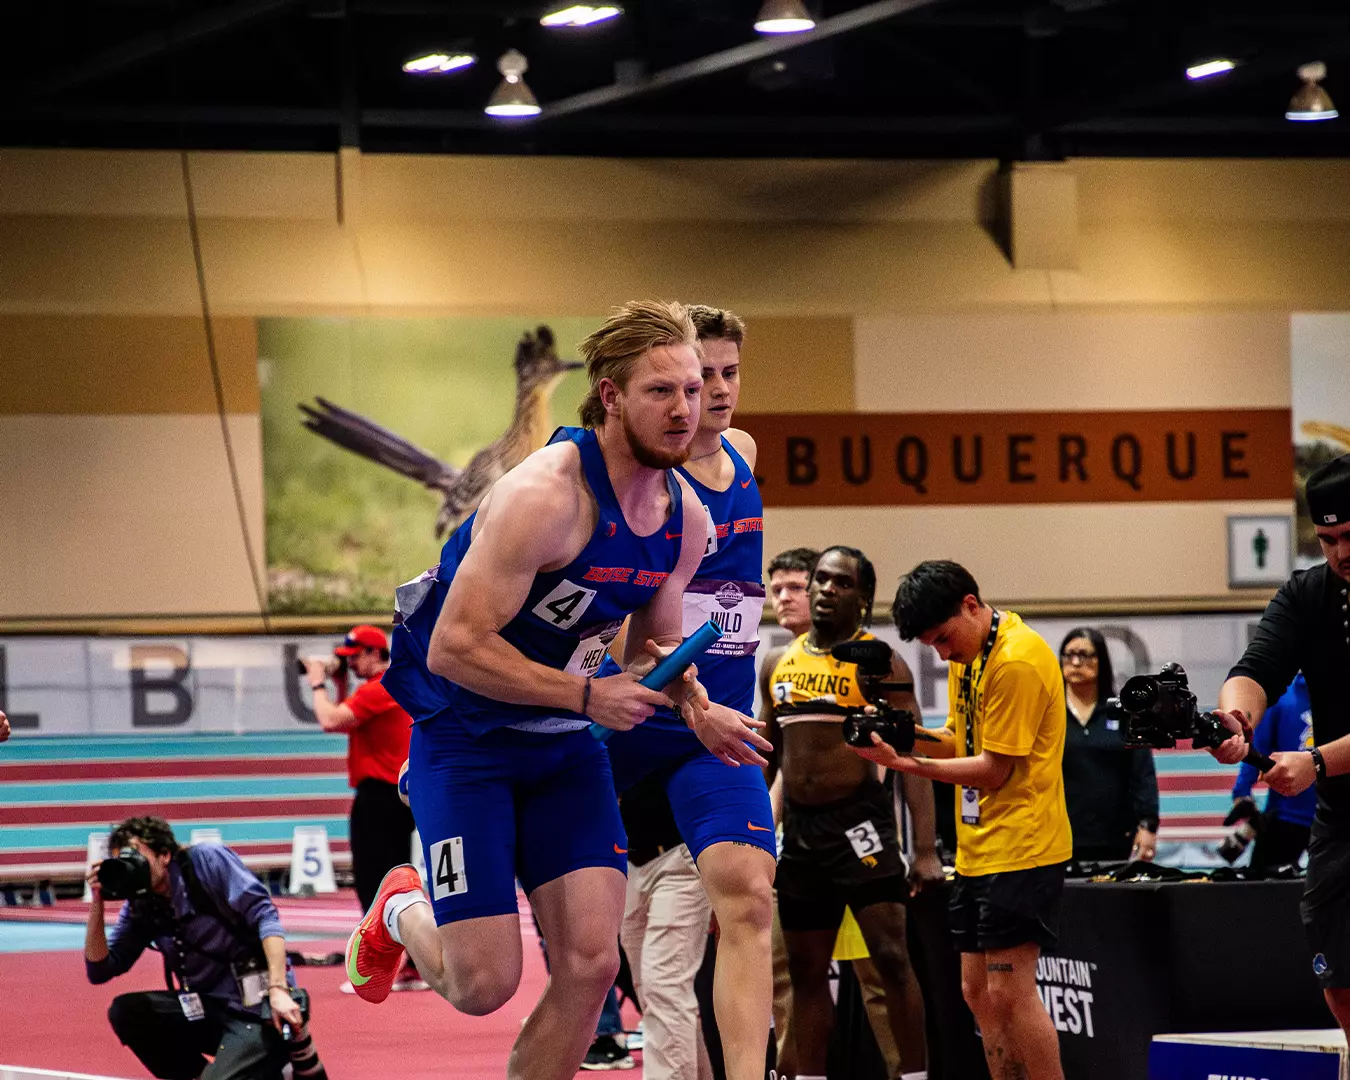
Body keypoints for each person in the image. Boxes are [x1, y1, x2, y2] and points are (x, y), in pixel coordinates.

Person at [349, 300, 770, 1080]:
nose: (687, 411)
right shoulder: (541, 497)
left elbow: (655, 645)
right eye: (662, 393)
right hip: (466, 741)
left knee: (590, 966)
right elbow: (454, 647)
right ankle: (401, 905)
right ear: (609, 397)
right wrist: (586, 698)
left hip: (564, 751)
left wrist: (698, 709)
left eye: (694, 389)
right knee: (484, 984)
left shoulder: (686, 519)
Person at [600, 305, 776, 1080]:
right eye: (704, 377)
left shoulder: (742, 451)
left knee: (749, 898)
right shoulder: (638, 480)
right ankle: (411, 908)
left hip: (717, 731)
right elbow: (615, 634)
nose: (718, 391)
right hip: (630, 722)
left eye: (730, 373)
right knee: (591, 943)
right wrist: (683, 692)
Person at [859, 560, 1070, 1080]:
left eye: (945, 639)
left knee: (1009, 991)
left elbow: (994, 770)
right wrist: (902, 735)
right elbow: (960, 737)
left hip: (1024, 847)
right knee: (977, 993)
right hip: (979, 850)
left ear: (971, 605)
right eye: (932, 645)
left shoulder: (1017, 659)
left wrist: (910, 764)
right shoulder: (970, 656)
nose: (943, 653)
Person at [764, 545, 940, 1080]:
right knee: (806, 970)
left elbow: (911, 758)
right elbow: (766, 758)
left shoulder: (882, 662)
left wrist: (926, 850)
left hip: (862, 828)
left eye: (840, 583)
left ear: (863, 598)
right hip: (801, 834)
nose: (824, 590)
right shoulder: (778, 663)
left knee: (889, 959)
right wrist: (750, 838)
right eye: (820, 579)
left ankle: (912, 1076)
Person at [1210, 453, 1350, 1038]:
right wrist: (1237, 717)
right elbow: (1257, 668)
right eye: (1326, 540)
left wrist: (1318, 761)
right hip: (1343, 814)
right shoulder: (1305, 596)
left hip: (1331, 779)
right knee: (1338, 976)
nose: (1341, 553)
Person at [85, 816, 325, 1080]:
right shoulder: (141, 904)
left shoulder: (208, 862)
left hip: (255, 1007)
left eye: (134, 858)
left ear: (164, 854)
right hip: (206, 1007)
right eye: (122, 862)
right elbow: (99, 969)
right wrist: (97, 900)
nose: (130, 868)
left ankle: (280, 1052)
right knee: (127, 1012)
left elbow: (265, 916)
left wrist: (279, 989)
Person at [302, 624, 423, 992]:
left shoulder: (382, 686)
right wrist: (339, 681)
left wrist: (318, 682)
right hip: (394, 795)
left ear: (375, 653)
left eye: (355, 657)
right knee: (395, 878)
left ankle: (383, 964)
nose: (350, 664)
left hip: (380, 798)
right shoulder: (387, 686)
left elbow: (330, 719)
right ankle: (413, 961)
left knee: (375, 882)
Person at [618, 771, 712, 1079]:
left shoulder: (675, 722)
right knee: (654, 992)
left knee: (665, 987)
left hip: (680, 857)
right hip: (629, 863)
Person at [1057, 626, 1159, 863]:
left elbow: (1142, 774)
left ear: (1101, 660)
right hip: (1058, 839)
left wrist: (1148, 824)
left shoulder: (1123, 714)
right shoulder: (1047, 715)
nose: (1074, 661)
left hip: (1115, 840)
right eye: (1068, 654)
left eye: (1084, 654)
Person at [1225, 673, 1316, 872]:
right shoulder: (1281, 699)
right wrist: (1242, 793)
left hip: (1337, 819)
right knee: (1264, 893)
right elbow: (1257, 749)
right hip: (1286, 816)